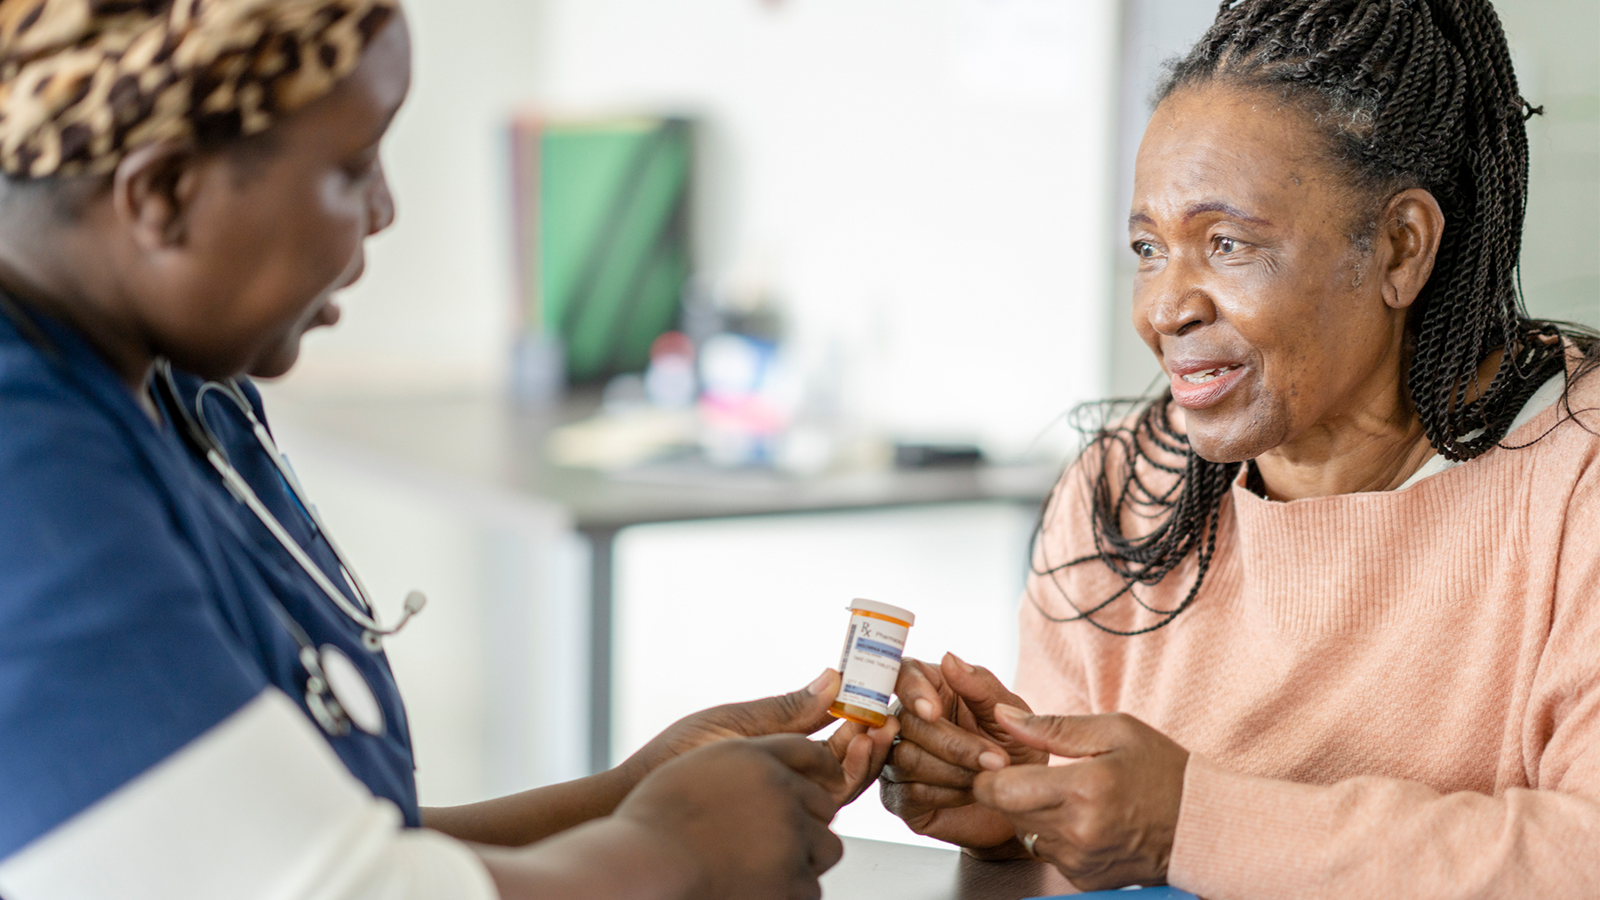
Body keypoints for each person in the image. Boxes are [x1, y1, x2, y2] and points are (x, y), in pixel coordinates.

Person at [0, 2, 896, 898]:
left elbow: (290, 845)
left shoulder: (177, 387)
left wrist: (628, 799)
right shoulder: (26, 463)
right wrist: (676, 853)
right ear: (161, 195)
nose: (385, 209)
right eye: (353, 168)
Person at [878, 0, 1600, 897]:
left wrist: (1188, 821)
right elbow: (1082, 854)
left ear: (1400, 248)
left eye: (1227, 244)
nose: (1164, 309)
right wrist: (1016, 821)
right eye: (1149, 247)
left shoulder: (1578, 482)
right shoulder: (1122, 487)